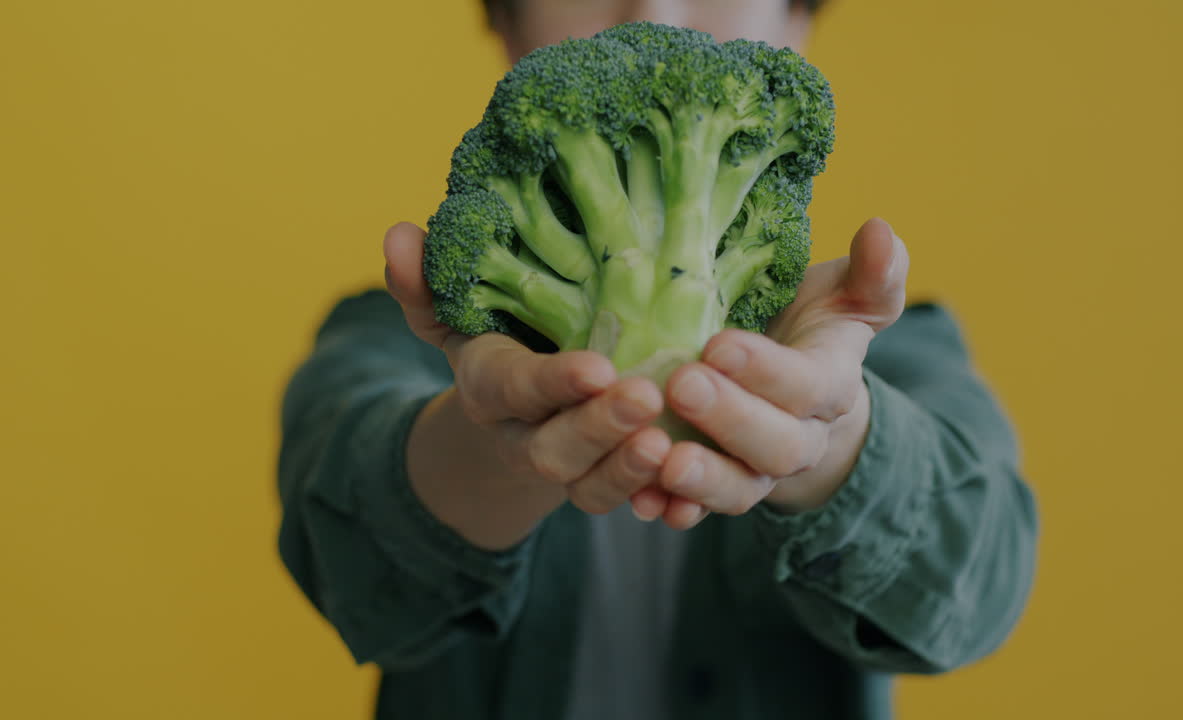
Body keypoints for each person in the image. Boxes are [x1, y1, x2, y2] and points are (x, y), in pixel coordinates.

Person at [276, 1, 1039, 718]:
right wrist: (496, 437)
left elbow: (980, 579)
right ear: (504, 24)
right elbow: (340, 552)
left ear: (798, 22)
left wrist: (827, 437)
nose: (655, 13)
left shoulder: (897, 345)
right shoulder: (400, 328)